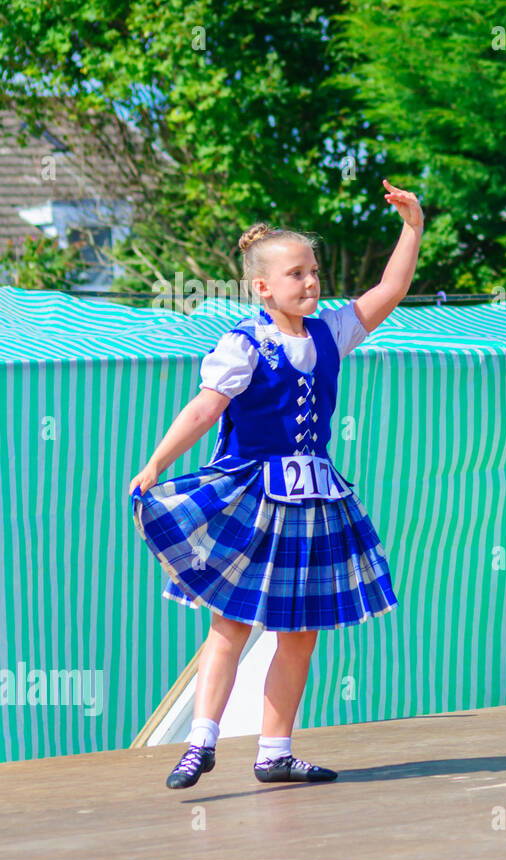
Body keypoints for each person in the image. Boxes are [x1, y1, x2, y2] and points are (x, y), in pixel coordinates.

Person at [130, 179, 423, 788]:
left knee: (300, 634)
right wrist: (157, 462)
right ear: (262, 287)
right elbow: (205, 409)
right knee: (230, 623)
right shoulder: (243, 344)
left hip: (316, 502)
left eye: (314, 271)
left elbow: (390, 289)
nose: (311, 283)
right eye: (296, 274)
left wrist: (412, 227)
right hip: (253, 495)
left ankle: (274, 751)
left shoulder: (329, 332)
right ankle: (201, 743)